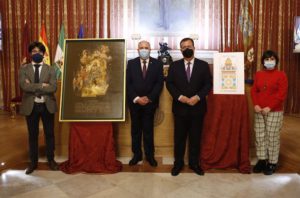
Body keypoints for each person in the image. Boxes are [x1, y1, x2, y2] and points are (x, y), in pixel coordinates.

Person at [166, 38, 212, 176]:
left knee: (195, 138)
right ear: (180, 50)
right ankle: (178, 164)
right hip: (180, 108)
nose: (187, 48)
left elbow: (208, 85)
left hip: (198, 108)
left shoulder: (203, 65)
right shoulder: (174, 66)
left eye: (189, 46)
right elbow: (170, 84)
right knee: (179, 138)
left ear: (194, 47)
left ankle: (194, 163)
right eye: (184, 46)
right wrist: (181, 97)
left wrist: (197, 97)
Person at [19, 41, 59, 174]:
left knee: (49, 134)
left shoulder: (51, 69)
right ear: (30, 54)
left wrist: (33, 86)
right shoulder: (24, 69)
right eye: (34, 52)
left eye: (39, 52)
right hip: (31, 106)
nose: (37, 54)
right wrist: (43, 86)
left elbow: (53, 87)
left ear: (44, 54)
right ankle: (33, 163)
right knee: (33, 135)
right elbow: (24, 86)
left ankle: (51, 160)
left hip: (47, 106)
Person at [126, 40, 164, 167]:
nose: (144, 49)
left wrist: (149, 98)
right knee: (135, 130)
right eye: (141, 47)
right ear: (137, 50)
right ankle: (136, 155)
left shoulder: (157, 64)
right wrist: (137, 98)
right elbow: (128, 83)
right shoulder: (131, 64)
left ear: (150, 49)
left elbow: (159, 83)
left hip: (150, 104)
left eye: (146, 47)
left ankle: (150, 156)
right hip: (135, 103)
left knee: (148, 130)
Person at [251, 50, 288, 175]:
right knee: (260, 136)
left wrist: (270, 107)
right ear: (263, 62)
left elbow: (281, 95)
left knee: (272, 137)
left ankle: (272, 162)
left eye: (272, 59)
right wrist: (255, 104)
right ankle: (262, 160)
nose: (269, 61)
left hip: (274, 111)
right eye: (267, 59)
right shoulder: (259, 74)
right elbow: (254, 91)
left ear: (276, 61)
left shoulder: (281, 75)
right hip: (259, 110)